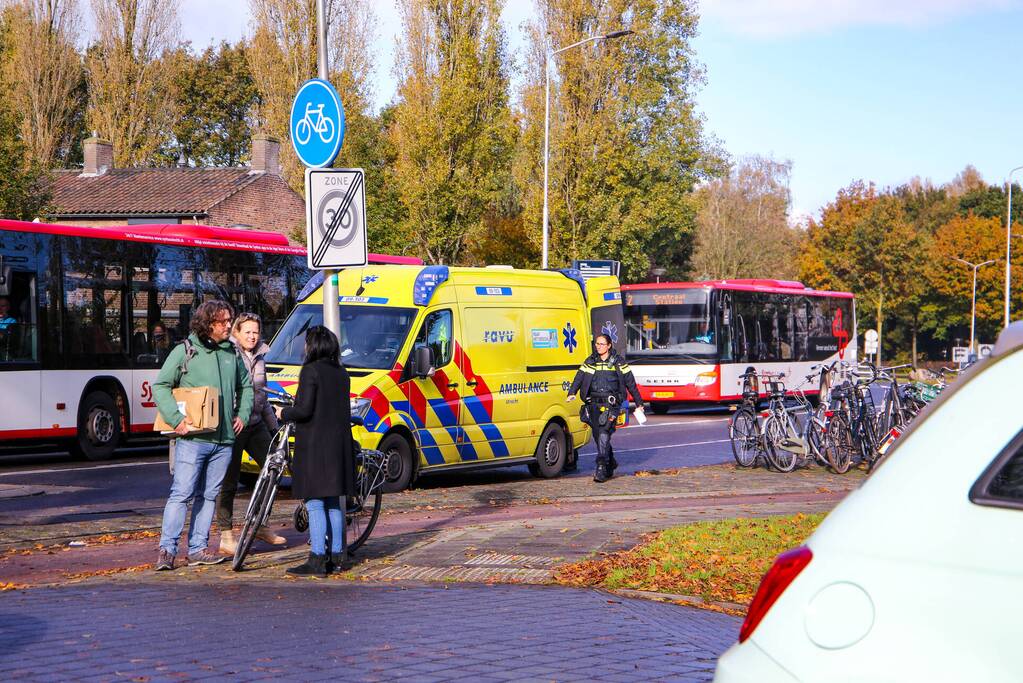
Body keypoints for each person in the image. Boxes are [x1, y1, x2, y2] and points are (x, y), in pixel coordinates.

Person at [153, 300, 253, 570]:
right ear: (208, 324)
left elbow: (246, 385)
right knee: (181, 494)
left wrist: (242, 415)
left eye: (229, 320)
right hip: (193, 439)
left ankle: (198, 548)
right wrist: (176, 420)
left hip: (223, 441)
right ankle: (167, 550)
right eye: (223, 321)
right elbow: (161, 385)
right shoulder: (185, 351)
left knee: (209, 496)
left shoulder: (232, 352)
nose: (229, 325)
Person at [276, 325, 357, 577]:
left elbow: (304, 410)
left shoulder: (311, 371)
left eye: (307, 343)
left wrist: (283, 413)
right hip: (338, 447)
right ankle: (337, 556)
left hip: (315, 447)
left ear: (313, 346)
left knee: (314, 502)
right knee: (333, 502)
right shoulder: (342, 373)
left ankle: (318, 559)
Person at [216, 312, 286, 555]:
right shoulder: (228, 354)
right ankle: (226, 536)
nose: (252, 336)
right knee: (229, 482)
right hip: (235, 426)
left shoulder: (260, 356)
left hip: (256, 424)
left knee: (272, 470)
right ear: (237, 332)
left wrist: (274, 428)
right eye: (247, 331)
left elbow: (262, 397)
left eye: (255, 331)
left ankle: (261, 524)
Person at [567, 334, 643, 483]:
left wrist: (639, 403)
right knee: (599, 436)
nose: (598, 346)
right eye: (597, 343)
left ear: (609, 346)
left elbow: (630, 383)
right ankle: (611, 462)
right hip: (593, 404)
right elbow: (579, 377)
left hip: (611, 406)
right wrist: (572, 392)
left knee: (603, 433)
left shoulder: (618, 362)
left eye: (602, 344)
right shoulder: (590, 361)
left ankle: (601, 467)